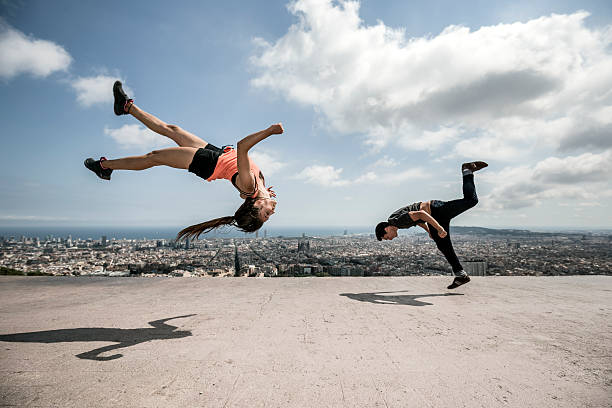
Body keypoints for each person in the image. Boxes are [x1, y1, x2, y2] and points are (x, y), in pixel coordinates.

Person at [84, 81, 282, 240]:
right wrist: (263, 192)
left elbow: (243, 146)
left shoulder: (249, 187)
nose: (270, 214)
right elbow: (247, 188)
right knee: (173, 130)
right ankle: (126, 107)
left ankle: (103, 166)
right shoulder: (259, 190)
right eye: (267, 216)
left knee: (153, 157)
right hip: (217, 155)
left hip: (208, 164)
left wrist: (270, 131)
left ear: (256, 206)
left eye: (266, 215)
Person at [375, 161, 488, 289]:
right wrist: (430, 231)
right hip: (434, 214)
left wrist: (438, 228)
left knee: (471, 201)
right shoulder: (397, 222)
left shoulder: (397, 221)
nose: (389, 239)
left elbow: (421, 214)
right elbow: (418, 220)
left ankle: (467, 171)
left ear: (386, 229)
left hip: (436, 210)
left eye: (386, 237)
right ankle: (461, 275)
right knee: (443, 245)